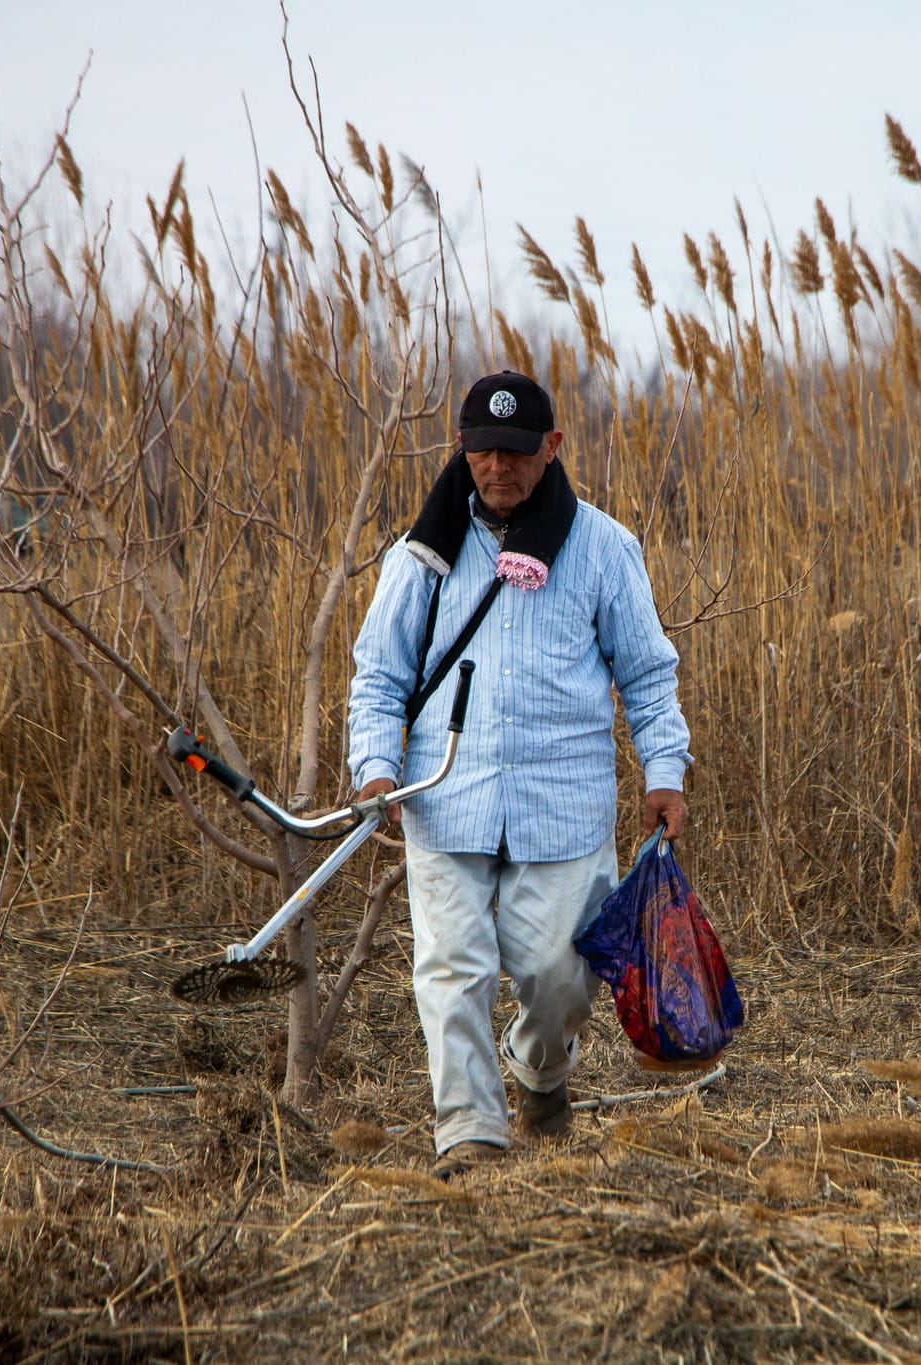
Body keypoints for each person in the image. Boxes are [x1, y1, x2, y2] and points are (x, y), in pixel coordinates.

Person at [347, 370, 692, 1178]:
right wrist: (375, 766)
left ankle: (541, 1071)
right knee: (451, 968)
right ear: (461, 451)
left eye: (514, 451)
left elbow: (646, 673)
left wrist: (664, 770)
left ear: (552, 448)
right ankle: (468, 1130)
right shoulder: (421, 553)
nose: (497, 467)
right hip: (444, 799)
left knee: (560, 976)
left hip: (563, 806)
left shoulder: (605, 547)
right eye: (481, 451)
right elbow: (378, 675)